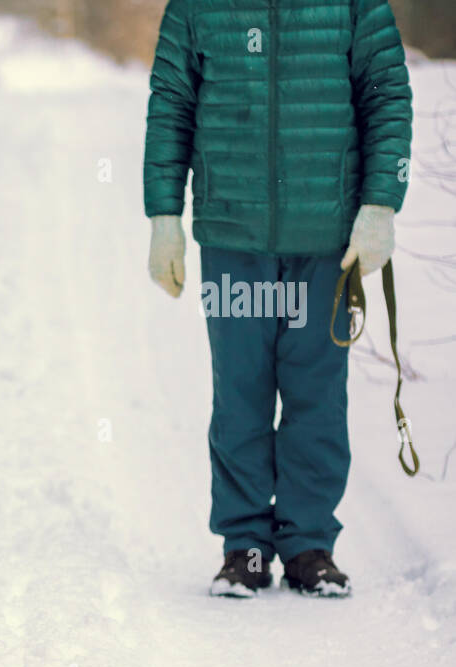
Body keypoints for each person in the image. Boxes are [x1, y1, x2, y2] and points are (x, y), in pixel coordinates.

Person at [144, 0, 412, 597]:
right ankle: (245, 548)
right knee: (239, 396)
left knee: (316, 397)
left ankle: (308, 545)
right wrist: (164, 213)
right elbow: (170, 103)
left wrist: (380, 202)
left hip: (326, 241)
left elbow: (387, 92)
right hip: (234, 236)